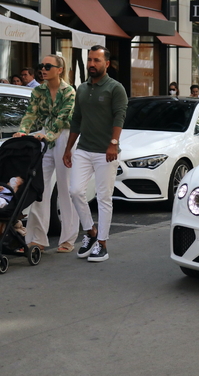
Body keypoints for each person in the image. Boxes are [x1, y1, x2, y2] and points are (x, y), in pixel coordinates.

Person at [62, 45, 128, 263]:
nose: (92, 64)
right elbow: (76, 120)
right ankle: (90, 232)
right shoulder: (81, 89)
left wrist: (113, 144)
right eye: (90, 60)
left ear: (106, 63)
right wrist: (68, 149)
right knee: (75, 191)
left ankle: (102, 244)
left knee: (103, 197)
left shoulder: (115, 88)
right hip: (84, 149)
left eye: (96, 60)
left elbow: (119, 117)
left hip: (105, 152)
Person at [13, 54, 79, 253]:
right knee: (39, 188)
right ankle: (36, 239)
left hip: (65, 138)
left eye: (48, 66)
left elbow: (61, 119)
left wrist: (47, 135)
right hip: (43, 137)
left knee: (66, 189)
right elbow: (31, 114)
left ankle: (68, 239)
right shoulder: (38, 91)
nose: (43, 69)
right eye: (41, 65)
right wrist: (23, 130)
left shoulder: (69, 92)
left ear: (59, 69)